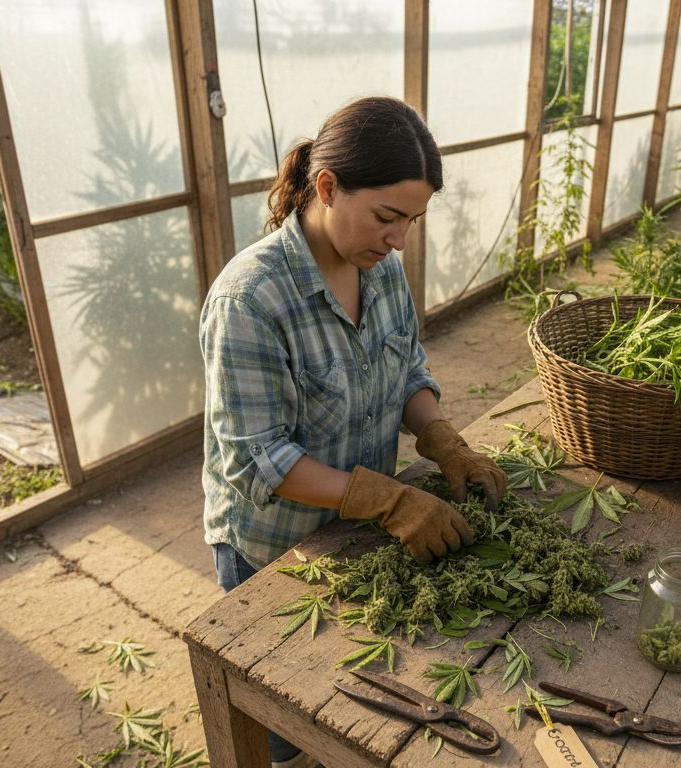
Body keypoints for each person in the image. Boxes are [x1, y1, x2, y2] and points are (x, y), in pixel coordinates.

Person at [199, 96, 507, 768]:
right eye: (388, 217)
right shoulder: (250, 301)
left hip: (358, 534)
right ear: (328, 187)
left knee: (349, 702)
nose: (399, 239)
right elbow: (261, 463)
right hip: (275, 548)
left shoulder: (382, 269)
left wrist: (443, 439)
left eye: (412, 222)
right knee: (283, 718)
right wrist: (392, 500)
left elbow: (407, 372)